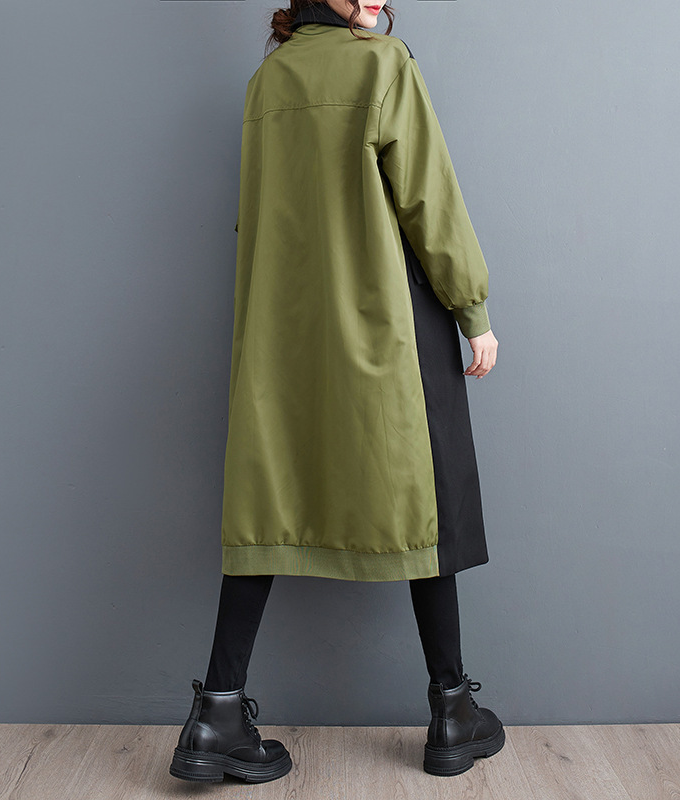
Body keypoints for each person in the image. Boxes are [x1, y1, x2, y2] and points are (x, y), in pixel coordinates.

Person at [169, 0, 503, 784]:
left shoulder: (267, 81)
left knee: (268, 505)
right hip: (386, 326)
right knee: (426, 495)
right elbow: (430, 202)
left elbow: (258, 221)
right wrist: (473, 310)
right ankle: (452, 709)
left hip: (281, 338)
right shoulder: (383, 66)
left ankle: (217, 712)